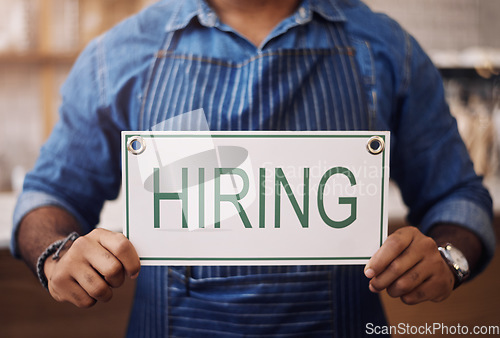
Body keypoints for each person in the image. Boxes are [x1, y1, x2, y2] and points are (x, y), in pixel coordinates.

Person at [12, 0, 495, 337]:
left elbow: (459, 196)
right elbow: (47, 197)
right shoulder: (117, 56)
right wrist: (58, 254)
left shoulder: (389, 50)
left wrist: (449, 259)